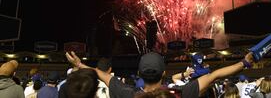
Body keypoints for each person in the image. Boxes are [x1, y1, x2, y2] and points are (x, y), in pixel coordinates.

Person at [66, 50, 254, 98]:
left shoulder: (127, 94)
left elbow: (101, 74)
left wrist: (80, 64)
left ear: (139, 73)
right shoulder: (180, 94)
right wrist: (244, 62)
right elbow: (215, 75)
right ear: (163, 72)